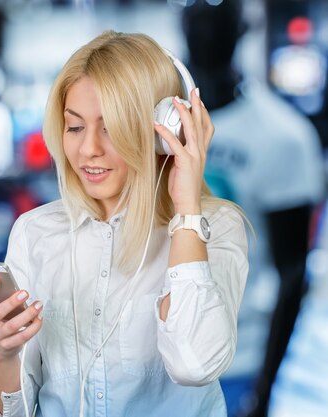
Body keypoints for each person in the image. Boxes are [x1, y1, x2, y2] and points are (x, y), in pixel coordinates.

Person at [0, 31, 249, 417]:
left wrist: (186, 208)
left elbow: (195, 365)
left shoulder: (214, 226)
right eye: (75, 126)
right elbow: (9, 412)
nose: (88, 150)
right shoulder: (35, 232)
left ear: (165, 132)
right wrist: (3, 352)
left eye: (111, 127)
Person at [181, 2, 324, 416]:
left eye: (217, 21)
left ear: (241, 28)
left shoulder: (283, 138)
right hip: (146, 361)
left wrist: (264, 387)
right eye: (197, 21)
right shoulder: (149, 124)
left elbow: (293, 271)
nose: (205, 35)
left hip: (235, 360)